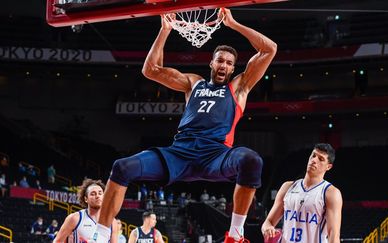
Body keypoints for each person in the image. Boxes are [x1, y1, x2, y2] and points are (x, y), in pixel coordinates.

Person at [94, 7, 276, 243]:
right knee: (121, 167)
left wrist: (233, 24)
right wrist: (164, 31)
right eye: (220, 60)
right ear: (211, 63)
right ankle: (98, 236)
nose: (223, 66)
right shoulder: (193, 84)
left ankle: (235, 234)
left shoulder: (239, 87)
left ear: (233, 68)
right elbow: (150, 71)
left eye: (229, 63)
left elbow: (269, 49)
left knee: (251, 160)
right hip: (179, 153)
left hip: (215, 154)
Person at [261, 143, 343, 243]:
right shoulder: (287, 187)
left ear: (328, 167)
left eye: (321, 159)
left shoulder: (330, 193)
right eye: (313, 155)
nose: (314, 160)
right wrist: (268, 229)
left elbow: (334, 236)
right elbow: (268, 222)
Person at [53, 178, 118, 243]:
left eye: (100, 193)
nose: (97, 196)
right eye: (93, 194)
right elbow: (57, 241)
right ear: (86, 199)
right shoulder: (74, 218)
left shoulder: (112, 222)